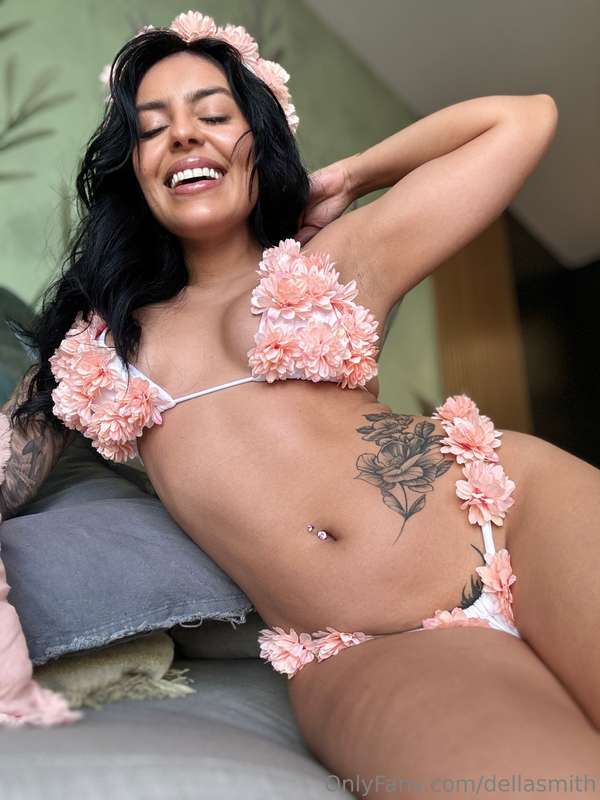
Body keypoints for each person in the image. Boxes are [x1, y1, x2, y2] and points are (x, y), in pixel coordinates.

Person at [2, 9, 600, 795]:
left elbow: (522, 121)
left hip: (516, 511)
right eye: (152, 128)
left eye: (214, 115)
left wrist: (353, 176)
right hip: (365, 643)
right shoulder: (93, 348)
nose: (184, 135)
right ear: (133, 168)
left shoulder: (335, 260)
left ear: (259, 140)